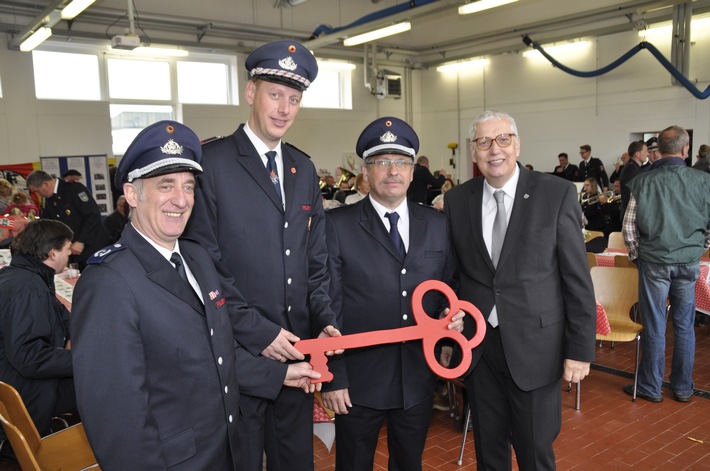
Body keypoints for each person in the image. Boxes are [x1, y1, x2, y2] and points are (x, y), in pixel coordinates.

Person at [71, 121, 322, 469]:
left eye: (189, 186)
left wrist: (278, 375)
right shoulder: (108, 283)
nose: (181, 199)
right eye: (165, 185)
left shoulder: (197, 259)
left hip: (229, 452)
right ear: (131, 194)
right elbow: (117, 419)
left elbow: (217, 353)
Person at [184, 40, 340, 471]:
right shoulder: (211, 164)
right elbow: (204, 266)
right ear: (251, 92)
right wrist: (257, 333)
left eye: (294, 98)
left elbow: (315, 260)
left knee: (296, 462)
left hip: (296, 349)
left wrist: (324, 318)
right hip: (240, 355)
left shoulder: (303, 169)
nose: (284, 108)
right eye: (275, 94)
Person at [444, 110, 596, 470]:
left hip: (536, 349)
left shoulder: (555, 194)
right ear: (473, 150)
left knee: (534, 452)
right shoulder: (458, 201)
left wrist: (579, 351)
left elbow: (577, 279)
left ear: (517, 143)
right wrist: (447, 322)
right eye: (484, 142)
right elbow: (453, 273)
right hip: (480, 350)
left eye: (503, 139)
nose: (494, 149)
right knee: (489, 452)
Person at [321, 117, 464, 471]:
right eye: (381, 162)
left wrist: (452, 320)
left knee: (409, 464)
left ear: (413, 172)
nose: (392, 171)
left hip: (416, 376)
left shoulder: (437, 225)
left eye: (400, 162)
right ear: (366, 172)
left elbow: (450, 288)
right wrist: (334, 376)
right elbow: (326, 304)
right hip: (357, 382)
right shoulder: (338, 226)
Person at [622, 125, 710, 404]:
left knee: (655, 323)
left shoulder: (643, 181)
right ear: (685, 150)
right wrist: (698, 249)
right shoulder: (703, 181)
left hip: (654, 262)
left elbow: (628, 228)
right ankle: (683, 387)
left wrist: (638, 255)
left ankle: (650, 385)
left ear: (658, 149)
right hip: (688, 261)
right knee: (684, 325)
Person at [0, 219, 76, 441]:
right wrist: (82, 359)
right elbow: (30, 358)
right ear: (53, 253)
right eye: (67, 250)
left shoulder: (21, 274)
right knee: (105, 378)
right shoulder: (29, 288)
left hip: (11, 379)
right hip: (26, 390)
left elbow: (66, 319)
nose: (69, 255)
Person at [27, 170, 109, 270]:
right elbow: (46, 223)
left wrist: (81, 241)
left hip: (93, 247)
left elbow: (92, 215)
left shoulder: (74, 189)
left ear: (45, 184)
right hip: (73, 251)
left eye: (37, 191)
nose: (38, 195)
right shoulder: (49, 198)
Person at [619, 140, 648, 219]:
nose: (647, 154)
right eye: (645, 151)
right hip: (630, 212)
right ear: (637, 154)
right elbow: (631, 193)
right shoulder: (632, 169)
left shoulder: (634, 167)